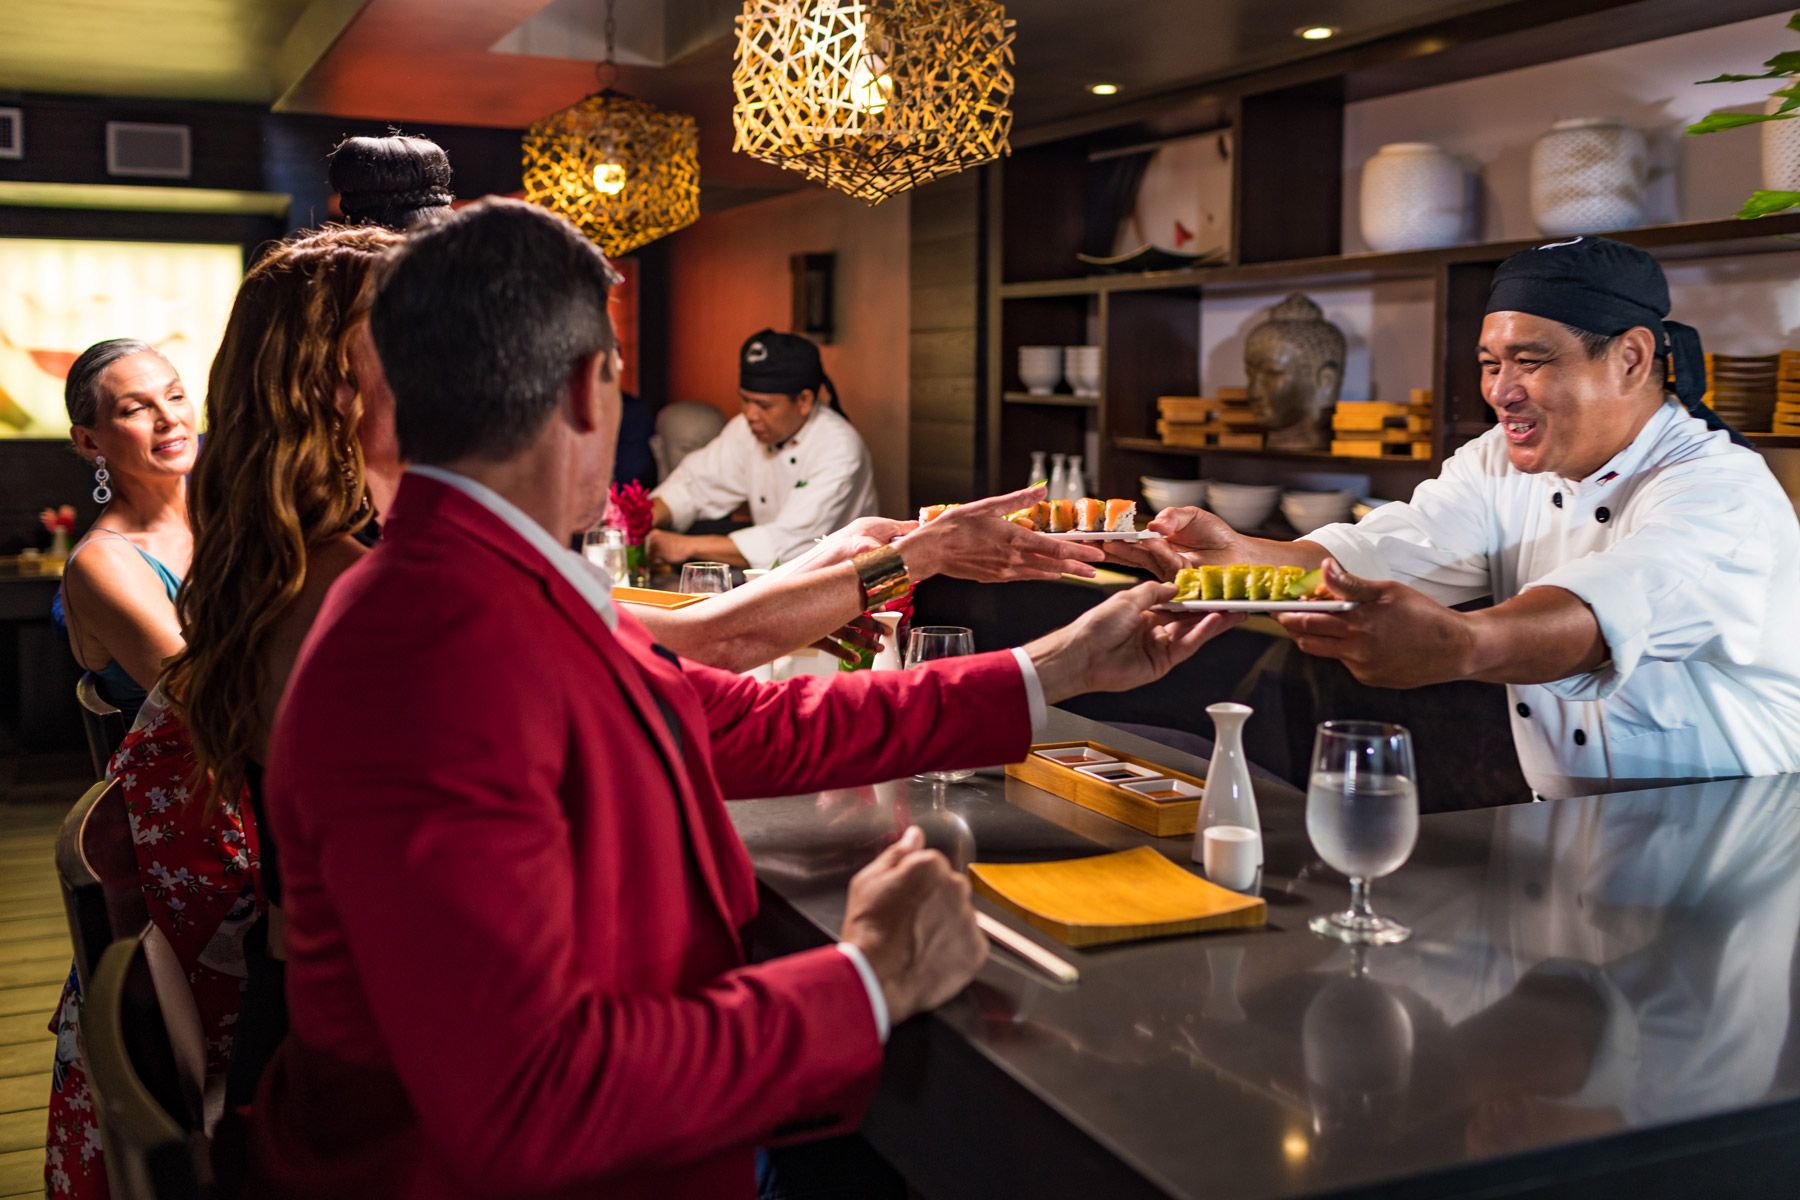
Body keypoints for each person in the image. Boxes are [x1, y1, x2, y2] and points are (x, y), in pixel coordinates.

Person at [238, 198, 1239, 1199]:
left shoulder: (491, 579)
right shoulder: (424, 647)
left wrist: (1058, 666)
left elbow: (748, 722)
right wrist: (867, 977)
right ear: (592, 392)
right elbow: (535, 1105)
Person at [1117, 236, 1800, 799]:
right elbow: (1381, 551)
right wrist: (1237, 558)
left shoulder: (1719, 490)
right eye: (1490, 364)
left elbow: (1603, 612)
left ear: (1630, 358)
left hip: (1731, 831)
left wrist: (1462, 646)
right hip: (1563, 824)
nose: (1502, 391)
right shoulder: (1498, 461)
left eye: (1530, 362)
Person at [647, 330, 879, 568]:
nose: (750, 415)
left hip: (842, 582)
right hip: (778, 577)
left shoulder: (838, 448)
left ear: (804, 401)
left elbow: (790, 542)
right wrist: (640, 519)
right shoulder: (746, 429)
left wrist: (685, 546)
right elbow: (695, 485)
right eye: (745, 400)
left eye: (763, 405)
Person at [56, 339, 195, 719]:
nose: (169, 419)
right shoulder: (102, 562)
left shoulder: (229, 516)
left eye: (177, 396)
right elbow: (207, 703)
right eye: (135, 409)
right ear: (88, 440)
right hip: (198, 765)